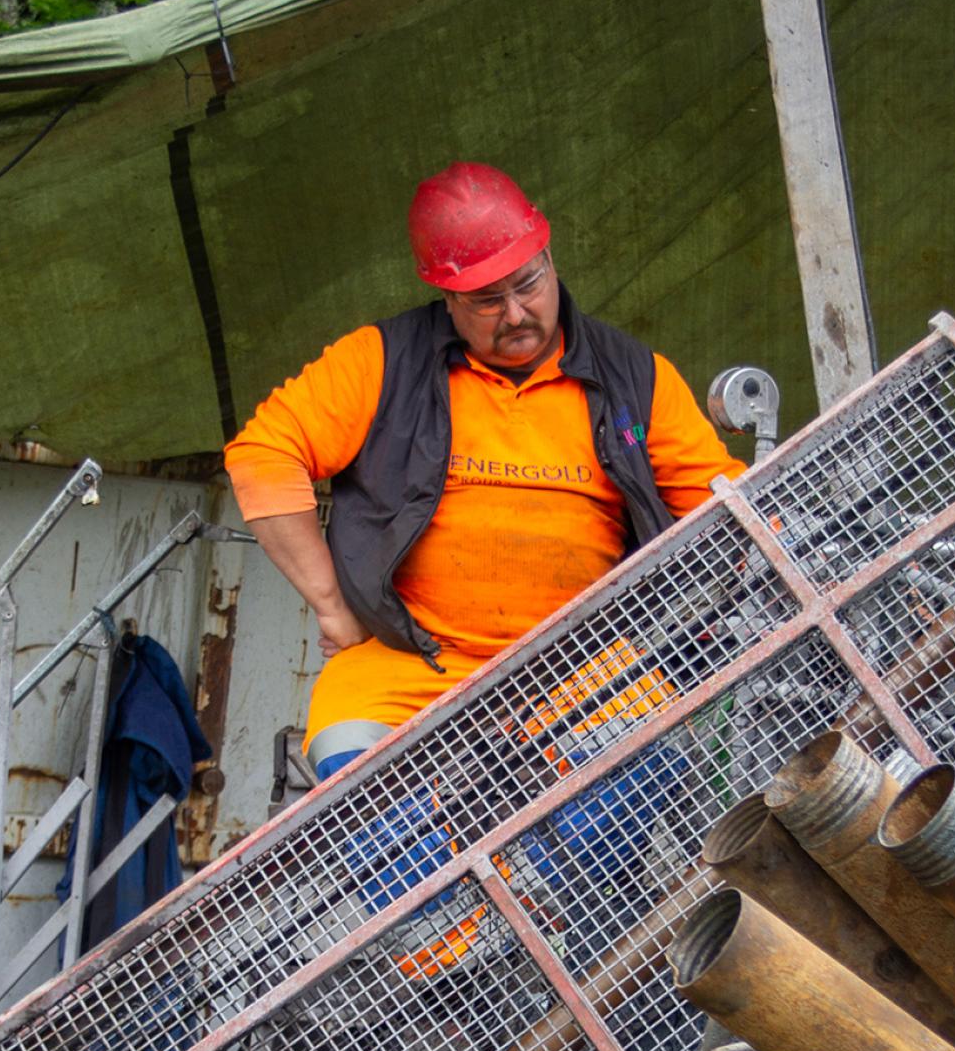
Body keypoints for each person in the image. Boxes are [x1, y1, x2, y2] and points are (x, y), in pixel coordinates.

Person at [224, 161, 741, 778]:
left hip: (594, 670)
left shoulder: (639, 376)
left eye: (528, 284)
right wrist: (333, 607)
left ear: (551, 259)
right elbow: (262, 453)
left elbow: (719, 509)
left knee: (613, 813)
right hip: (409, 664)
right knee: (375, 832)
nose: (517, 313)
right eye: (488, 300)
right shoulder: (379, 359)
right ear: (446, 298)